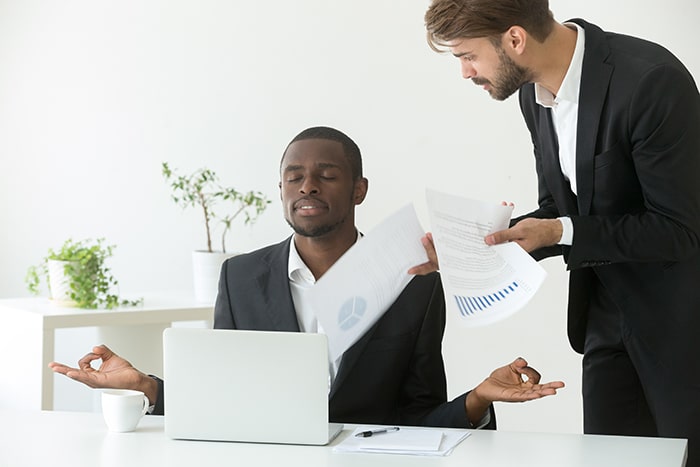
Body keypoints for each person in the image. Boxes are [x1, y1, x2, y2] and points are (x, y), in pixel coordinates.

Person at [50, 126, 564, 429]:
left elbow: (418, 416)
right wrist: (146, 387)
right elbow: (224, 398)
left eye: (327, 174)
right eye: (294, 176)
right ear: (280, 189)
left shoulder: (416, 281)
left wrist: (477, 400)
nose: (307, 185)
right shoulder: (240, 277)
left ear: (359, 189)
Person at [420, 0, 700, 463]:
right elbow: (559, 210)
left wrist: (557, 230)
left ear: (514, 40)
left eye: (467, 55)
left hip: (682, 323)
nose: (466, 72)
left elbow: (677, 229)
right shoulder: (533, 93)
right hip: (604, 316)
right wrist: (468, 248)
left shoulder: (650, 81)